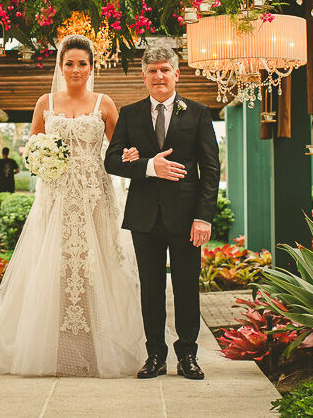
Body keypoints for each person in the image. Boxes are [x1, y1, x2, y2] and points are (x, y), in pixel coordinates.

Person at [0, 34, 145, 377]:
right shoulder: (45, 102)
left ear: (92, 67)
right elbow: (34, 149)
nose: (76, 69)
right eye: (69, 63)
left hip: (95, 196)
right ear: (60, 67)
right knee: (56, 264)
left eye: (82, 63)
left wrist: (132, 155)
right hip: (57, 196)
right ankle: (52, 342)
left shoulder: (104, 104)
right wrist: (42, 159)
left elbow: (118, 150)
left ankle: (99, 344)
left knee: (97, 264)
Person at [104, 45, 220, 381]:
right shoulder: (130, 114)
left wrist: (204, 217)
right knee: (150, 289)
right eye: (152, 71)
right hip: (144, 217)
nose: (159, 76)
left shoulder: (198, 113)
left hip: (187, 218)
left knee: (186, 288)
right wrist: (148, 167)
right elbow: (111, 161)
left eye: (164, 70)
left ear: (176, 74)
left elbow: (211, 169)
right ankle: (155, 355)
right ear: (144, 76)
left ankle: (188, 356)